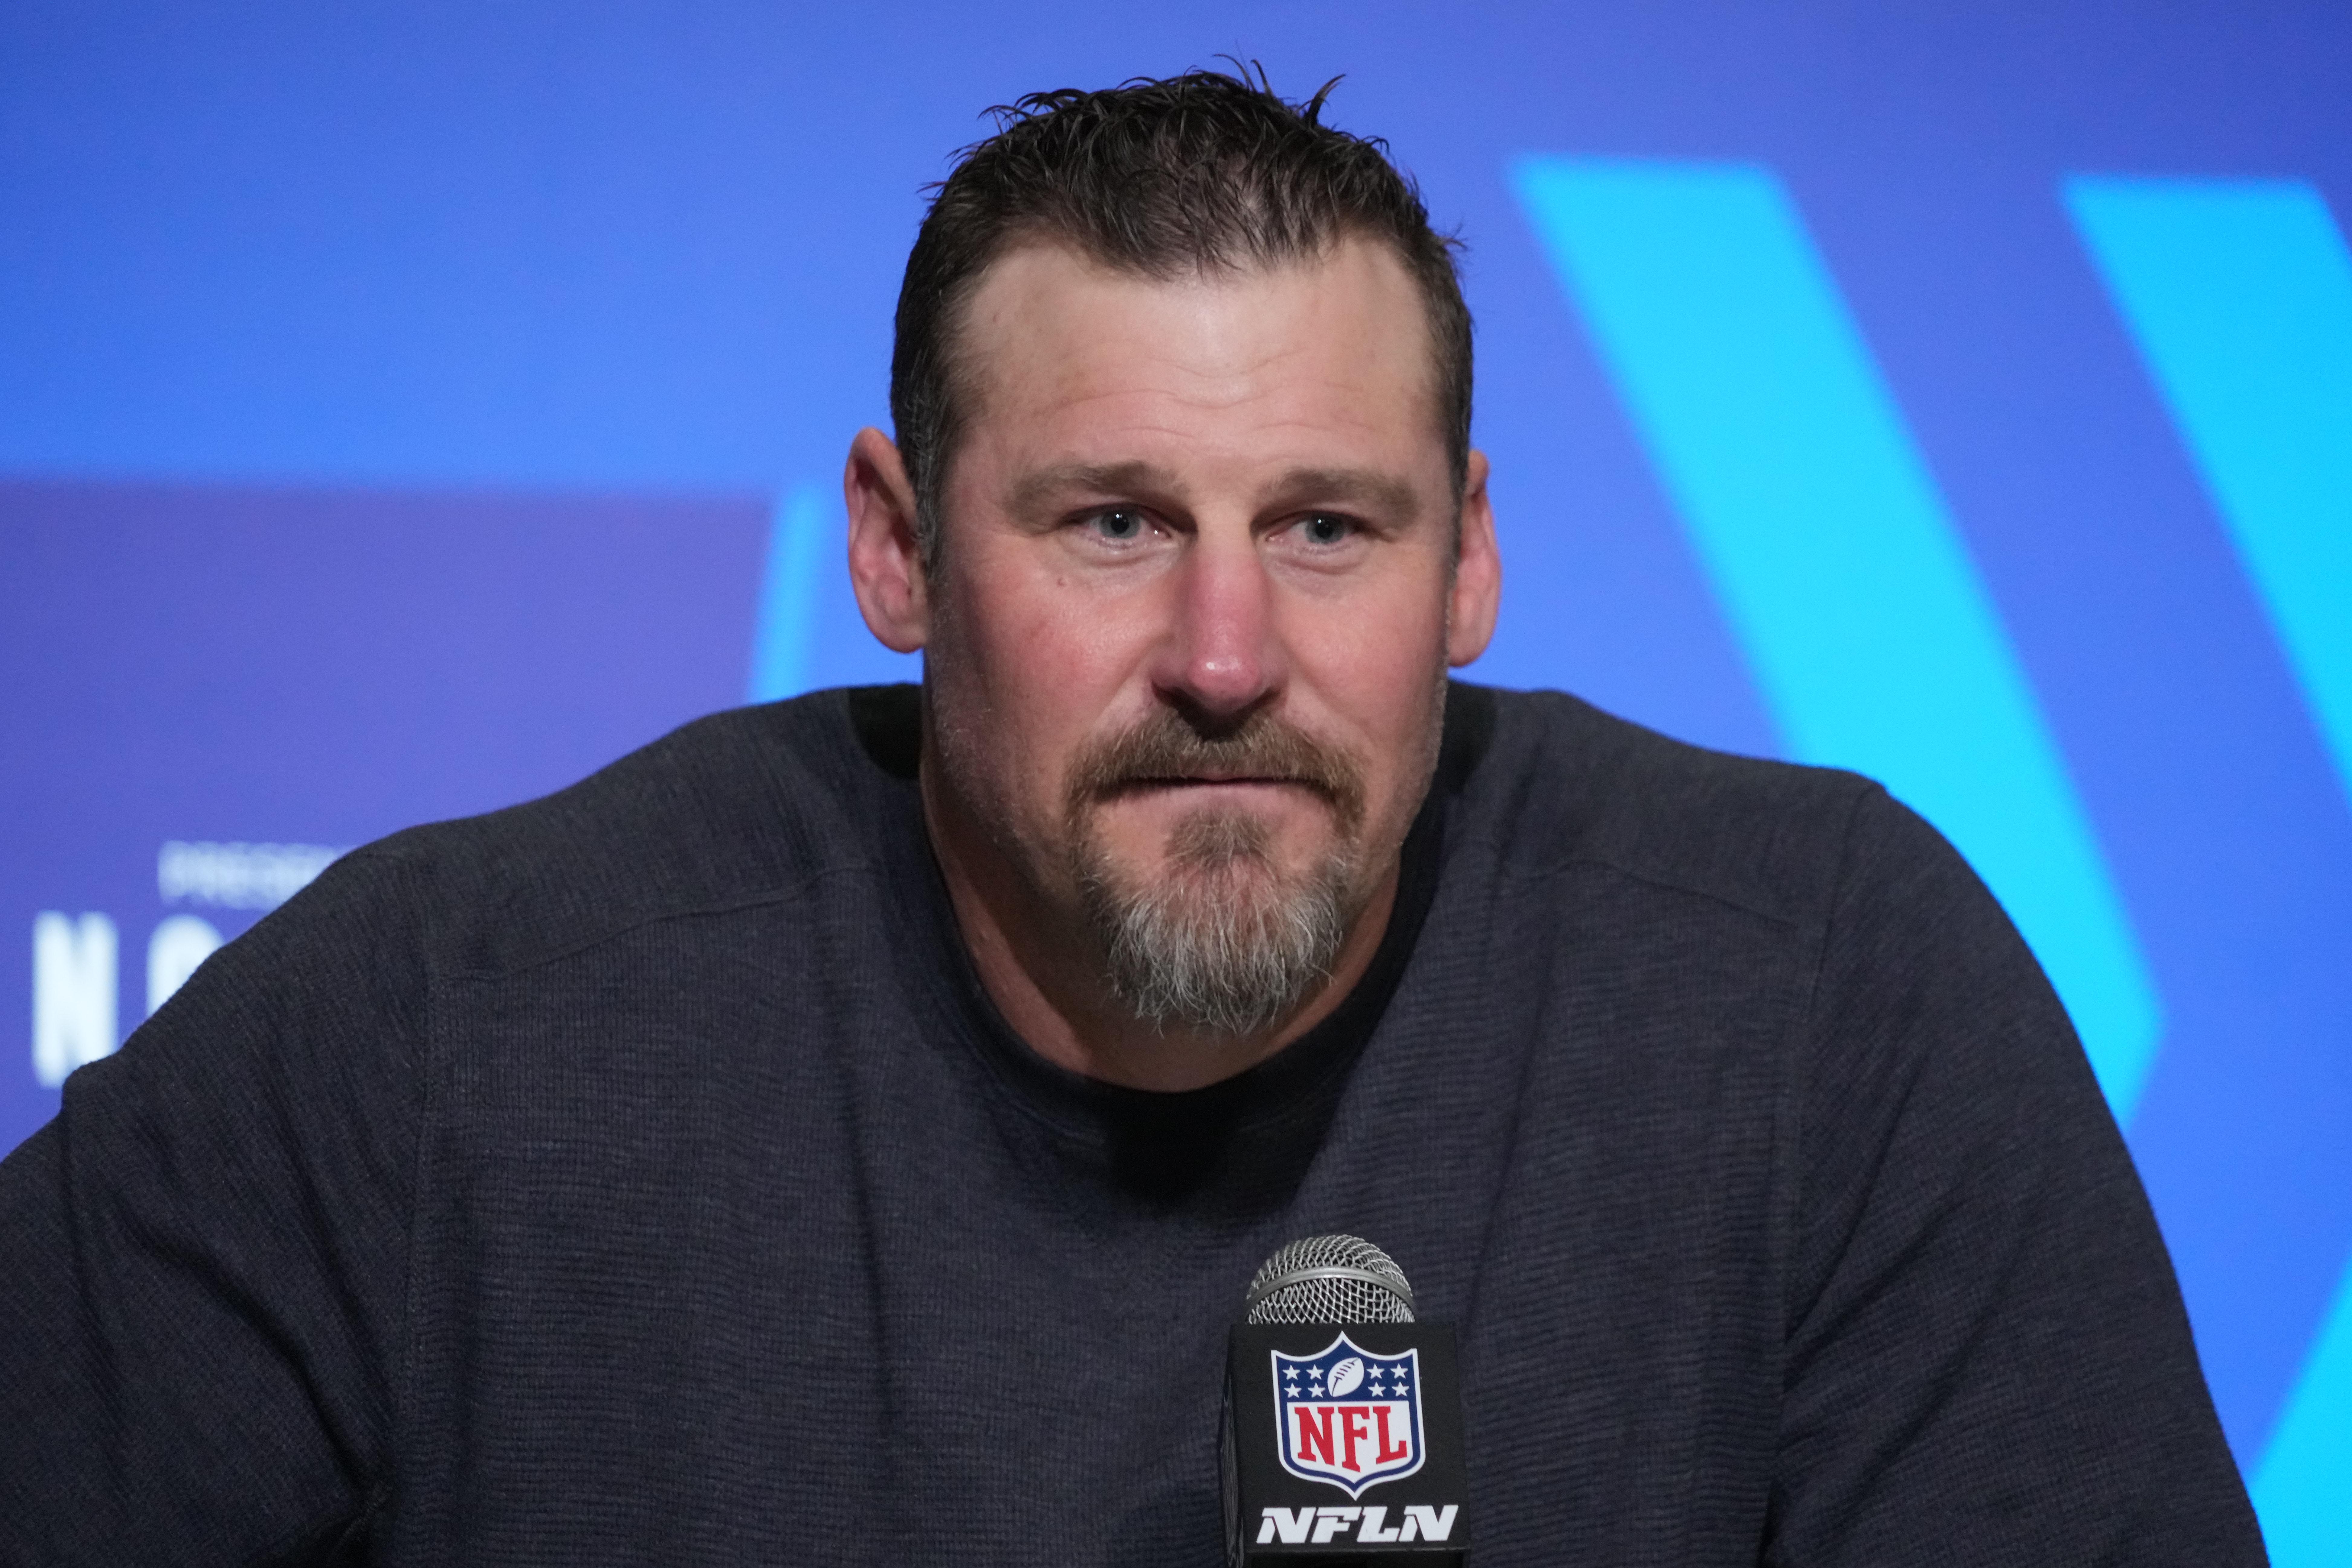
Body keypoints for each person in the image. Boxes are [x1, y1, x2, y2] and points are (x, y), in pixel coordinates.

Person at [0, 70, 2262, 1566]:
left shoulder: (1816, 997)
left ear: (1471, 557)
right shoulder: (456, 1035)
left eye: (1325, 527)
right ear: (896, 547)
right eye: (1110, 522)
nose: (1222, 653)